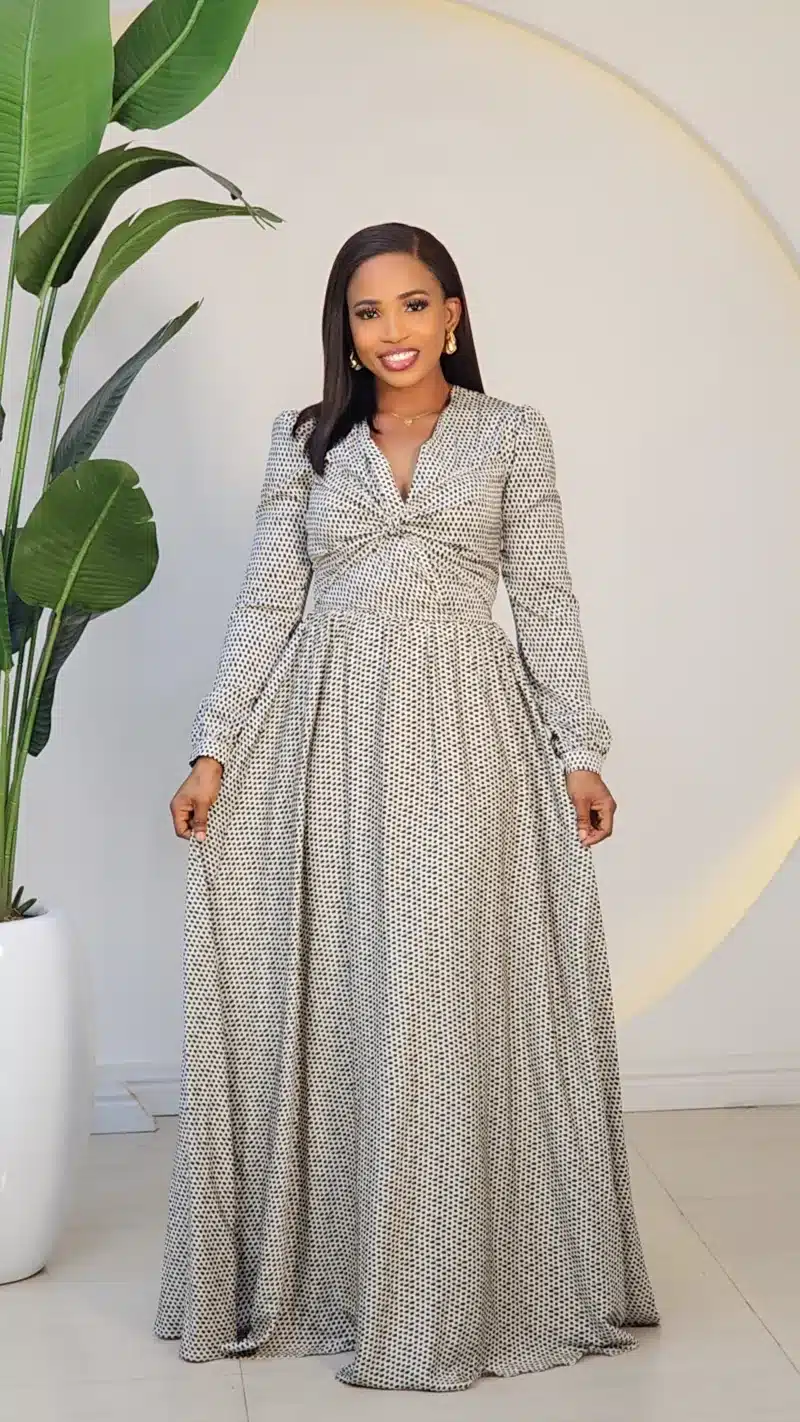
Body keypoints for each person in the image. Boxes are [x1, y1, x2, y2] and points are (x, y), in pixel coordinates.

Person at [155, 221, 660, 1392]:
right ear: (344, 329)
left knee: (436, 986)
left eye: (413, 304)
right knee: (347, 990)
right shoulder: (305, 443)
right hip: (324, 739)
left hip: (466, 741)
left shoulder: (509, 434)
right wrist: (212, 750)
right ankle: (344, 1273)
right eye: (367, 310)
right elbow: (265, 602)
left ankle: (448, 1283)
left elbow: (544, 596)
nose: (392, 330)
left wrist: (578, 751)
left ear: (451, 314)